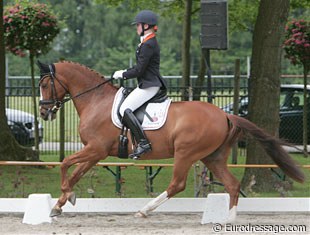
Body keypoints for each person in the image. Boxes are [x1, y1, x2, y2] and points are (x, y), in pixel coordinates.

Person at [112, 10, 167, 159]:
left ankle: (143, 143)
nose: (136, 27)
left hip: (149, 85)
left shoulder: (148, 44)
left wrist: (123, 74)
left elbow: (140, 69)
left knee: (124, 109)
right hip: (148, 83)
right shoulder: (147, 42)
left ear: (146, 25)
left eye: (138, 25)